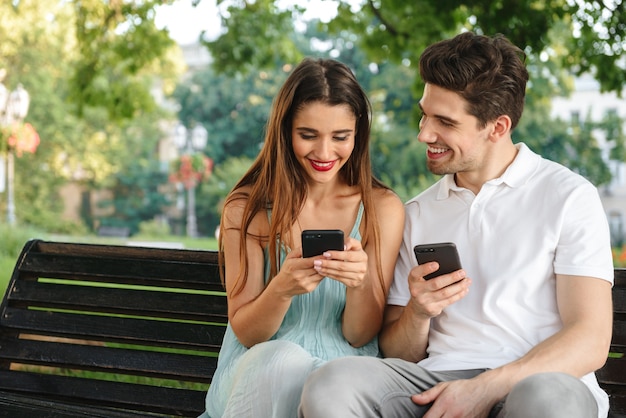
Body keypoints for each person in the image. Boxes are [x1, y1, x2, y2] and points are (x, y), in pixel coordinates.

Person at [299, 32, 614, 418]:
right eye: (425, 113)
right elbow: (398, 352)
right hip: (436, 382)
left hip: (538, 382)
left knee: (549, 401)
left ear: (497, 127)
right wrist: (419, 311)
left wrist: (483, 389)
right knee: (333, 384)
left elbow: (591, 339)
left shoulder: (568, 197)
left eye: (444, 122)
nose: (424, 133)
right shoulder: (417, 211)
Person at [199, 57, 405, 418]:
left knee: (326, 384)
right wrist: (282, 288)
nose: (325, 153)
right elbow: (248, 334)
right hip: (259, 373)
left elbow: (359, 336)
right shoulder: (247, 209)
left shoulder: (381, 208)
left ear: (358, 135)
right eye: (308, 135)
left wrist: (359, 283)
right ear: (285, 131)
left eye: (341, 137)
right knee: (286, 361)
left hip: (339, 375)